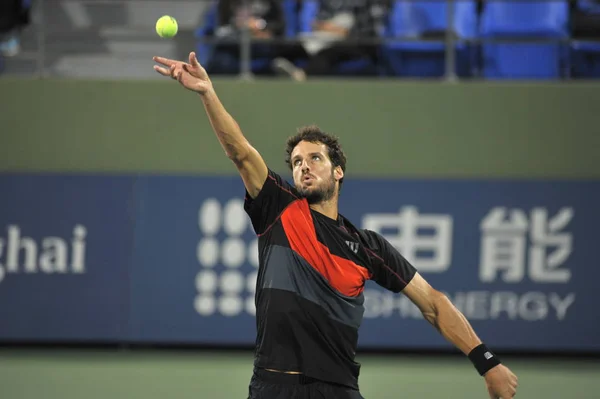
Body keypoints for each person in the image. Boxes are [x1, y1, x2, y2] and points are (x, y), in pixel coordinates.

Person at [152, 51, 519, 399]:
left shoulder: (369, 247)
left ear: (338, 171)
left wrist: (486, 361)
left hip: (337, 387)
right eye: (296, 162)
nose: (304, 166)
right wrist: (208, 93)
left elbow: (433, 304)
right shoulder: (279, 208)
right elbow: (240, 152)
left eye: (314, 158)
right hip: (273, 386)